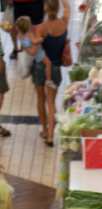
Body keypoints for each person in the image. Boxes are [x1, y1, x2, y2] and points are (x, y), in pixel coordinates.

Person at [31, 0, 69, 146]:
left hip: (40, 68)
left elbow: (34, 50)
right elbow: (67, 7)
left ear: (45, 8)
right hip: (56, 68)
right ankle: (51, 136)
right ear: (58, 7)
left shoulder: (41, 28)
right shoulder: (64, 22)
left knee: (41, 99)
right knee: (51, 103)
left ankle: (45, 130)